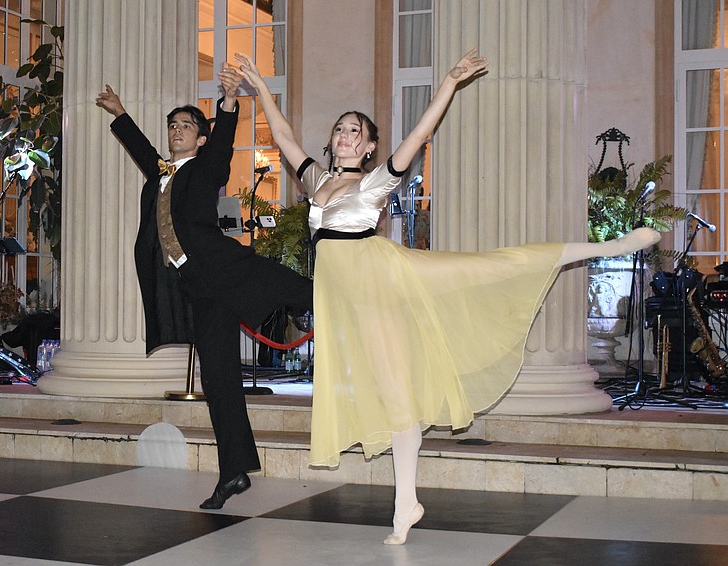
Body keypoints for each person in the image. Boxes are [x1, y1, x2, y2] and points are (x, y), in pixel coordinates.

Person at [235, 49, 660, 544]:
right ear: (333, 142)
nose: (346, 136)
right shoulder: (318, 180)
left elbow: (417, 136)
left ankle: (612, 245)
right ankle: (408, 501)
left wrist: (449, 86)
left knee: (488, 274)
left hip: (380, 287)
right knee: (392, 395)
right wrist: (261, 86)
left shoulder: (376, 181)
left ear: (370, 146)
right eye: (340, 129)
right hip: (341, 298)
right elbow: (284, 136)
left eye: (357, 131)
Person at [95, 63, 313, 510]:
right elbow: (143, 149)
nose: (177, 131)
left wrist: (229, 102)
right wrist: (119, 112)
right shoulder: (162, 173)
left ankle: (361, 297)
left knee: (309, 292)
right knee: (219, 382)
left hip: (228, 269)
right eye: (172, 125)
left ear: (200, 138)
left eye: (186, 126)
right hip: (200, 289)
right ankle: (234, 472)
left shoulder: (206, 166)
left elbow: (224, 143)